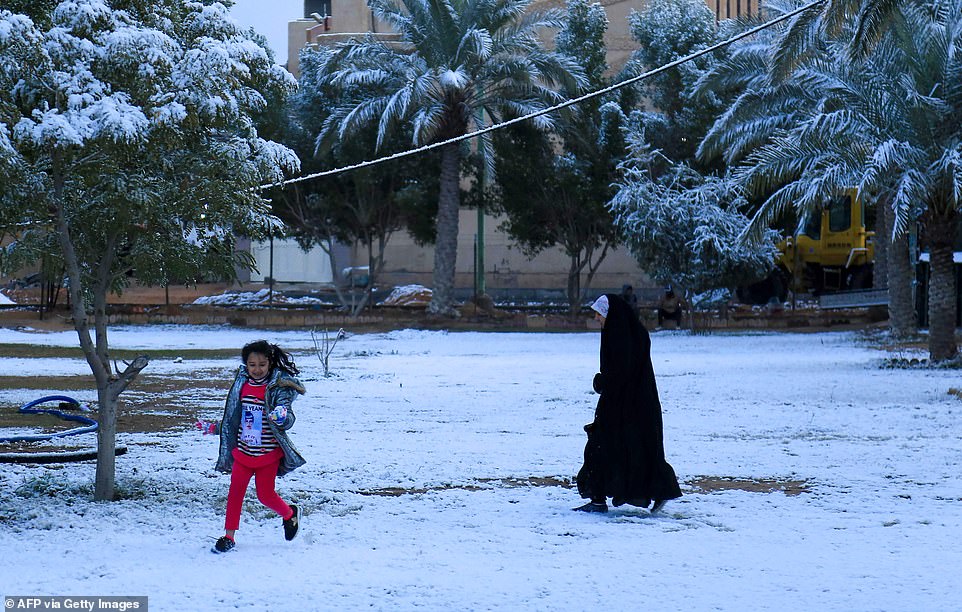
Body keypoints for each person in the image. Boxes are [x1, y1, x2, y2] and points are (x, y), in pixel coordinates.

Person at [575, 294, 682, 514]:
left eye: (599, 313)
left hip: (624, 405)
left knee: (608, 447)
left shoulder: (622, 336)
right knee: (630, 449)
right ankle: (600, 497)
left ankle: (600, 498)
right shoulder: (628, 332)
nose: (596, 318)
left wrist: (603, 381)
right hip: (633, 404)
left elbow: (622, 372)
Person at [212, 340, 307, 553]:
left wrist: (282, 417)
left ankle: (289, 514)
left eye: (262, 364)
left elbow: (288, 416)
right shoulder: (242, 384)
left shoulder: (278, 387)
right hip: (243, 453)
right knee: (235, 493)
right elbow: (233, 417)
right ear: (246, 364)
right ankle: (229, 536)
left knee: (265, 495)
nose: (257, 369)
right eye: (252, 364)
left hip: (267, 454)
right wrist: (215, 428)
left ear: (270, 363)